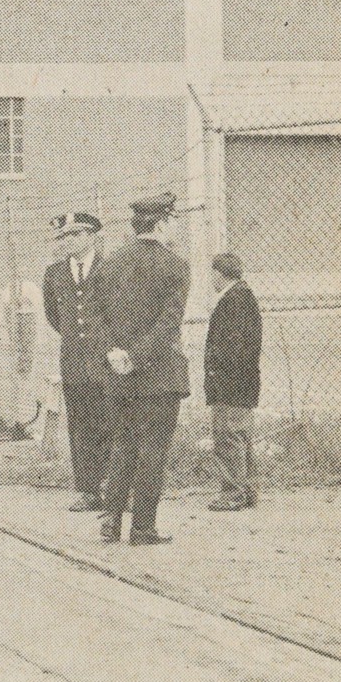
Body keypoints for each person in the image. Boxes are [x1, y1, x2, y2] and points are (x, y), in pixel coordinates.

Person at [94, 193, 191, 545]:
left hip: (118, 375)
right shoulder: (175, 265)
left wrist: (114, 353)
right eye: (174, 220)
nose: (175, 226)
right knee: (153, 450)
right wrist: (136, 355)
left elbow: (96, 317)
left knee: (123, 445)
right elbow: (169, 322)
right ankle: (143, 527)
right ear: (162, 223)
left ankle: (111, 521)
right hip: (159, 376)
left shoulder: (110, 263)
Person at [41, 211, 109, 512]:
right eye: (64, 237)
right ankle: (89, 490)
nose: (68, 241)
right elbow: (55, 317)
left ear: (91, 236)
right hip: (73, 362)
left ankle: (116, 487)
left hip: (105, 361)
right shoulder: (54, 274)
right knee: (81, 425)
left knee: (111, 422)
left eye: (74, 235)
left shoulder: (109, 268)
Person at [203, 252, 262, 512]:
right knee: (242, 436)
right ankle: (247, 489)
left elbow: (233, 346)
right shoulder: (243, 295)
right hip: (242, 382)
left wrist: (219, 375)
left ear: (218, 273)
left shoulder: (233, 300)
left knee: (228, 437)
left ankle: (232, 493)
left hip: (231, 383)